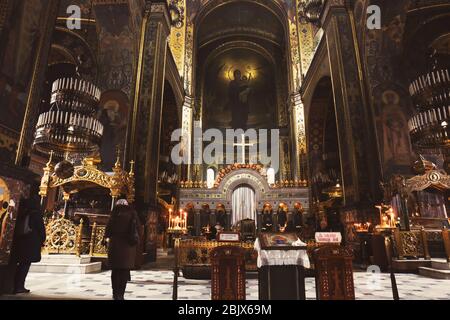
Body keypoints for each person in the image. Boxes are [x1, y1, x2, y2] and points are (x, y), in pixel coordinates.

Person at [105, 199, 139, 300]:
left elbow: (108, 230)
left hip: (115, 244)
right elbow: (137, 228)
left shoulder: (114, 213)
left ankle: (115, 294)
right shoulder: (132, 213)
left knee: (115, 271)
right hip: (128, 246)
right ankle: (121, 295)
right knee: (124, 271)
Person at [11, 197, 46, 294]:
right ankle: (19, 286)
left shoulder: (23, 213)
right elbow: (41, 229)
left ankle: (16, 286)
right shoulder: (36, 214)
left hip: (21, 242)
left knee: (20, 265)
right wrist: (43, 239)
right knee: (25, 265)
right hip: (31, 243)